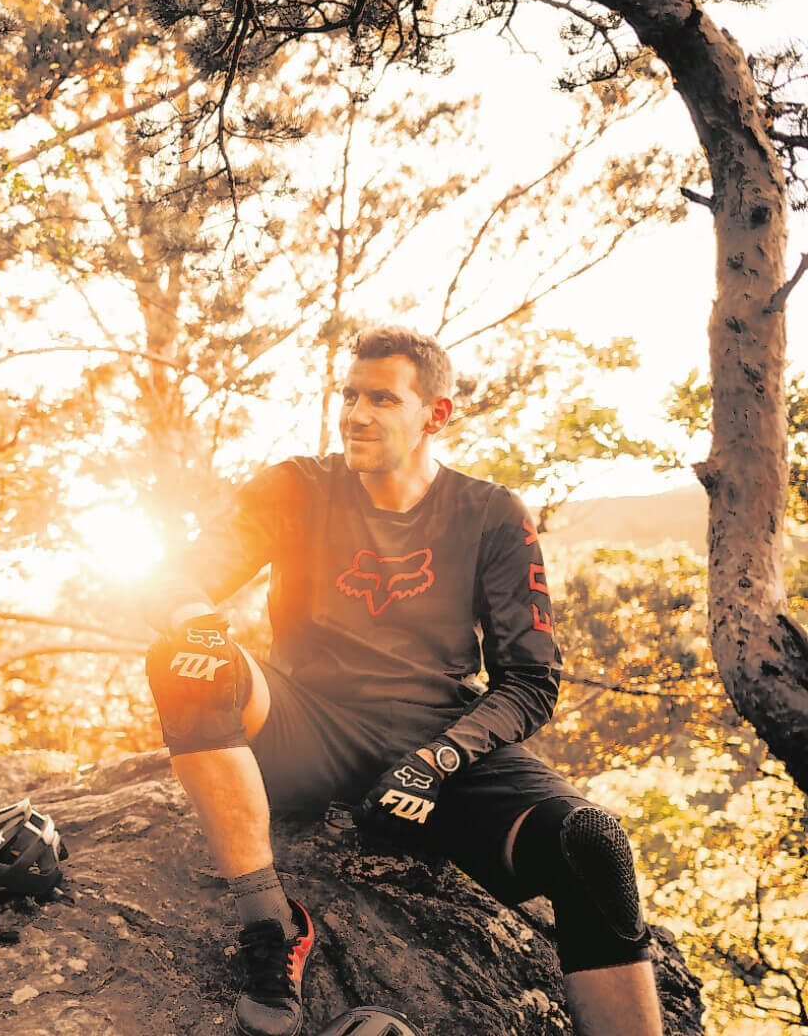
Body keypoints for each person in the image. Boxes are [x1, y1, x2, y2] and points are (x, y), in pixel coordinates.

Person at [145, 326, 661, 1036]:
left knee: (593, 844)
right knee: (183, 657)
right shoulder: (299, 486)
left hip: (438, 741)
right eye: (349, 396)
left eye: (382, 399)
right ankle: (271, 923)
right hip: (305, 725)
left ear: (435, 414)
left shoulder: (491, 514)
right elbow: (177, 574)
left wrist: (438, 761)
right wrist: (195, 621)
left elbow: (530, 679)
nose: (355, 414)